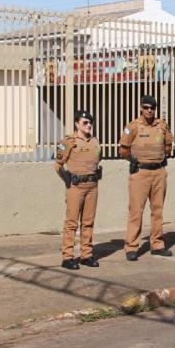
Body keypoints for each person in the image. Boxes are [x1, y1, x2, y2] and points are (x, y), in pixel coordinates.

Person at [119, 95, 174, 261]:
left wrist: (160, 155)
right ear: (141, 108)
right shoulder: (133, 127)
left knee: (157, 211)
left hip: (159, 173)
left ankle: (157, 244)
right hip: (140, 173)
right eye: (146, 107)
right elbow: (123, 150)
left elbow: (168, 146)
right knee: (136, 211)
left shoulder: (162, 126)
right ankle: (131, 247)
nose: (149, 110)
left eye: (152, 108)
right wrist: (134, 160)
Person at [54, 109, 102, 270]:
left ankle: (86, 255)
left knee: (88, 222)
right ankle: (67, 257)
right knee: (71, 223)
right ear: (77, 124)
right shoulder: (69, 141)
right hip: (76, 187)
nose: (88, 125)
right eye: (85, 122)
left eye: (90, 122)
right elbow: (58, 165)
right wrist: (67, 180)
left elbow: (97, 160)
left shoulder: (95, 141)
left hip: (92, 186)